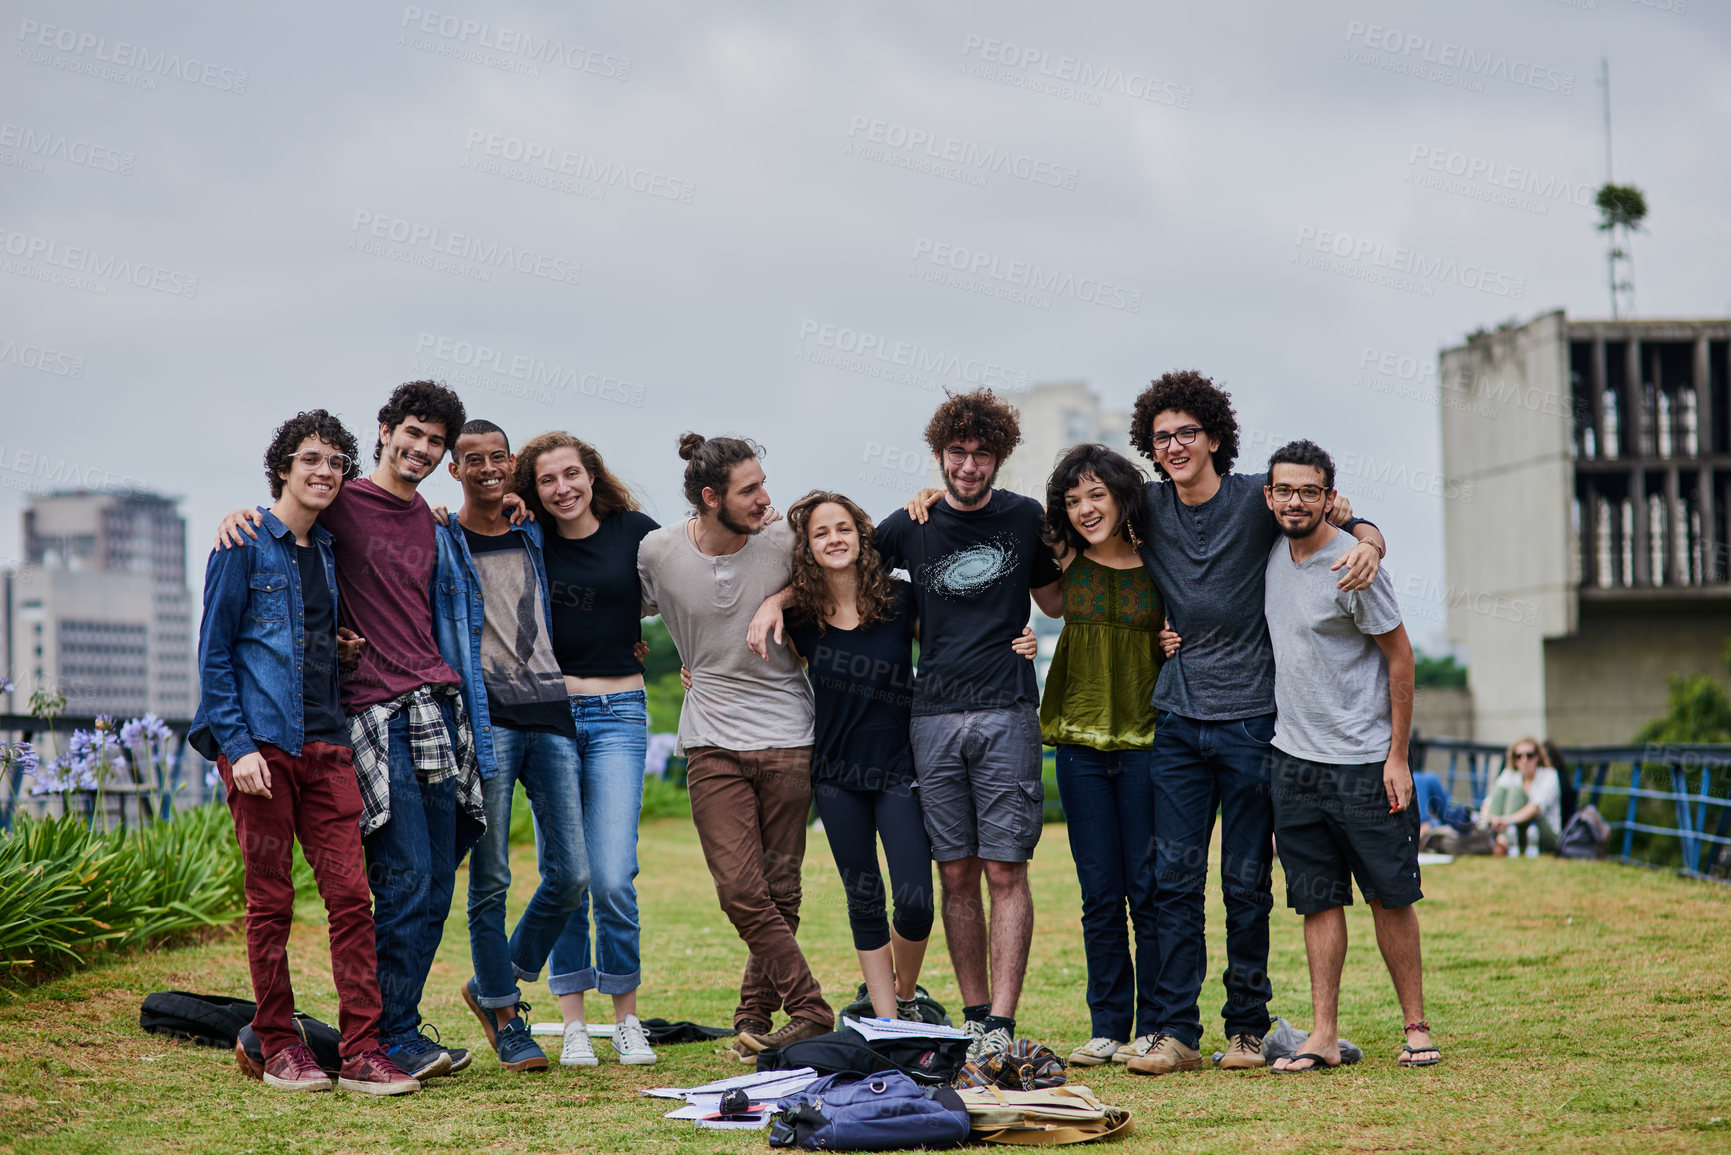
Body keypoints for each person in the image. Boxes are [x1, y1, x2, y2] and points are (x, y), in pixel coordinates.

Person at [217, 381, 483, 1081]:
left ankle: (380, 1036)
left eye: (435, 441)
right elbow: (221, 646)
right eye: (412, 434)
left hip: (371, 727)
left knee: (398, 889)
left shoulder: (404, 525)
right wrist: (237, 745)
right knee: (317, 893)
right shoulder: (293, 526)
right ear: (387, 430)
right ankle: (300, 1039)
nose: (421, 449)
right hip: (319, 732)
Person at [1124, 370, 1387, 1076]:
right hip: (1177, 717)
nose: (1174, 445)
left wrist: (1369, 534)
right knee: (1173, 877)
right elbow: (1068, 510)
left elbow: (1334, 512)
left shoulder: (1254, 498)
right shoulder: (1144, 506)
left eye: (1186, 433)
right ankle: (1174, 1030)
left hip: (1252, 722)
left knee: (1245, 879)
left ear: (1213, 436)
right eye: (1161, 436)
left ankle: (1244, 1028)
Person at [190, 411, 420, 1096]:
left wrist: (339, 648)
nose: (324, 471)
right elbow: (215, 655)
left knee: (352, 898)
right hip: (261, 748)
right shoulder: (241, 544)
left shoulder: (324, 549)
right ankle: (279, 1044)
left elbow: (306, 634)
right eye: (310, 459)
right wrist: (237, 746)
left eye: (336, 462)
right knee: (271, 903)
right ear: (283, 467)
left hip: (328, 746)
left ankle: (361, 1050)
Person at [775, 490, 1036, 1021]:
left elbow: (956, 634)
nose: (834, 539)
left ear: (861, 534)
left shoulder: (900, 600)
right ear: (807, 547)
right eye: (821, 533)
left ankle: (907, 993)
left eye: (843, 528)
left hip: (900, 769)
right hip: (835, 775)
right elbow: (758, 674)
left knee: (916, 901)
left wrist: (1021, 639)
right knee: (864, 902)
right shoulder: (800, 618)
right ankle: (887, 1018)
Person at [864, 388, 1063, 1059]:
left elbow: (1057, 596)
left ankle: (1002, 1022)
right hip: (932, 715)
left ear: (999, 457)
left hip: (1008, 708)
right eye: (958, 453)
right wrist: (769, 610)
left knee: (1005, 870)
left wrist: (1042, 629)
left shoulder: (1026, 517)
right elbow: (832, 569)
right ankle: (974, 1014)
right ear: (939, 454)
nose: (969, 466)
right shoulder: (908, 523)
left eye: (981, 455)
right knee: (954, 873)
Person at [637, 433, 834, 1060]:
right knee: (742, 890)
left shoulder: (782, 539)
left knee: (782, 888)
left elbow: (842, 573)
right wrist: (627, 644)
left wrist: (778, 597)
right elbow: (623, 604)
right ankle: (810, 1010)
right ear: (709, 497)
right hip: (711, 741)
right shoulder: (660, 551)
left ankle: (753, 1015)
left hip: (788, 736)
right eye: (749, 490)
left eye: (762, 484)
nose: (765, 498)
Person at [1256, 439, 1438, 1072]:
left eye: (1310, 490)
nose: (1296, 501)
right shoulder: (1271, 553)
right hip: (1293, 762)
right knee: (1317, 900)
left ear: (1330, 496)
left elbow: (1400, 657)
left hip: (1364, 762)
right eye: (1285, 490)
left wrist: (1398, 756)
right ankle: (1323, 1034)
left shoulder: (1355, 564)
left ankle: (1415, 1027)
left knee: (1391, 896)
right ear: (1269, 496)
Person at [436, 420, 585, 1074]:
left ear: (512, 462)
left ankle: (498, 976)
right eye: (474, 459)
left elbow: (613, 524)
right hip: (489, 717)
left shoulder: (533, 529)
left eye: (498, 457)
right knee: (491, 871)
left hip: (550, 711)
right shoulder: (442, 538)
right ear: (455, 468)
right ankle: (502, 1011)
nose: (488, 468)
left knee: (573, 871)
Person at [515, 431, 661, 1067]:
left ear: (592, 475)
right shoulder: (528, 537)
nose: (562, 489)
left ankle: (626, 1017)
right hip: (550, 717)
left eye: (571, 474)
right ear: (534, 490)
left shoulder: (636, 531)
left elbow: (700, 562)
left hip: (620, 714)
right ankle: (572, 1020)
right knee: (565, 874)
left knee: (612, 874)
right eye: (547, 481)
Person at [1034, 444, 1165, 1068]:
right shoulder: (1062, 559)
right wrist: (925, 496)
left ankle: (1159, 1025)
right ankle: (1108, 1025)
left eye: (1096, 495)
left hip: (1148, 742)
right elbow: (987, 512)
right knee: (1099, 893)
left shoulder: (1162, 558)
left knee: (1149, 889)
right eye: (1073, 499)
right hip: (1079, 746)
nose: (1085, 509)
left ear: (1121, 495)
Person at [1480, 738, 1563, 855]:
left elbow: (1535, 808)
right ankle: (1489, 837)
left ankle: (1501, 842)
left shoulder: (1550, 775)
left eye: (1529, 755)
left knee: (1517, 792)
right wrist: (1487, 820)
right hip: (1515, 830)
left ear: (1538, 757)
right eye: (1518, 756)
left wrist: (1506, 820)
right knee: (1499, 790)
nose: (1524, 760)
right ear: (1514, 759)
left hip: (1544, 832)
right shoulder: (1510, 774)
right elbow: (1488, 802)